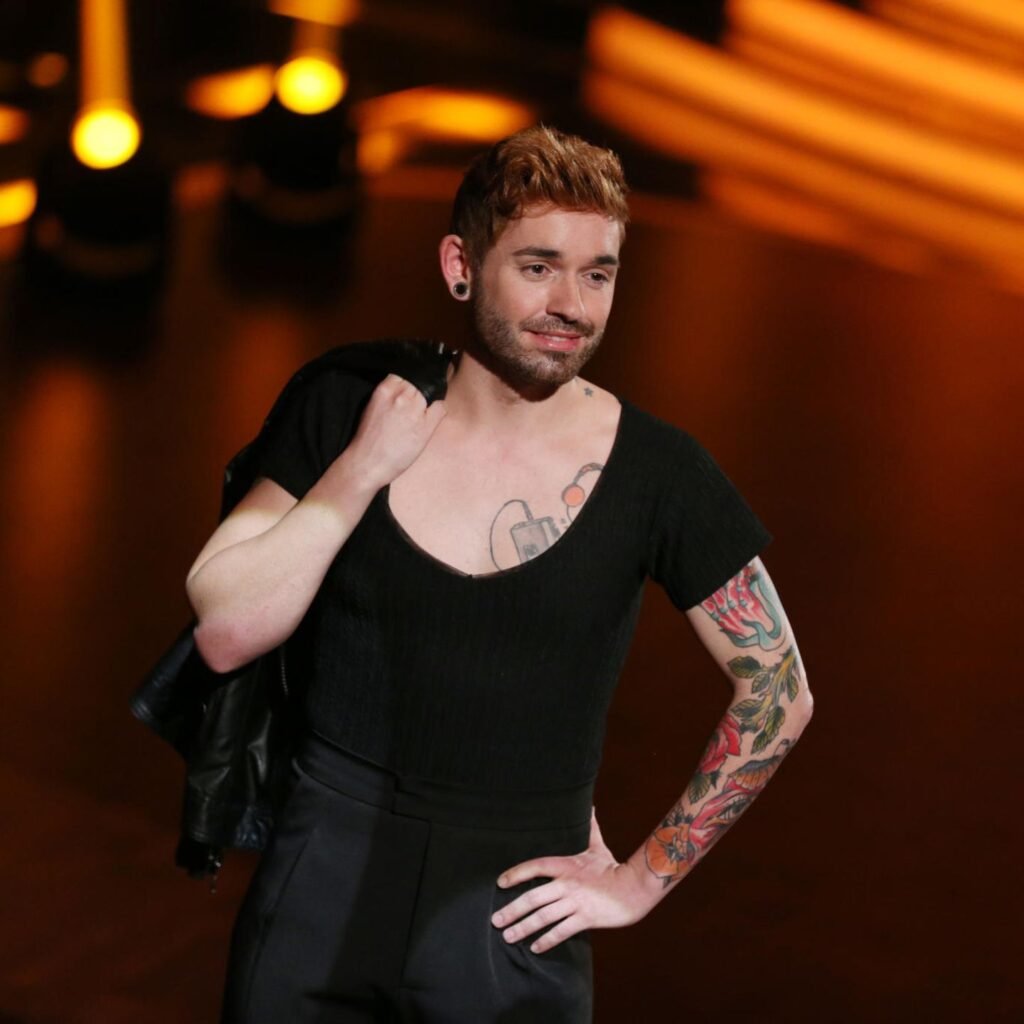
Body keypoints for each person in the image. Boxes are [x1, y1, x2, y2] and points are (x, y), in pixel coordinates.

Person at [185, 124, 813, 1023]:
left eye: (597, 275)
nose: (571, 304)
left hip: (514, 915)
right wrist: (360, 470)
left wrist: (640, 881)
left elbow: (779, 690)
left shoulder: (661, 474)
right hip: (319, 879)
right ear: (461, 265)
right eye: (538, 266)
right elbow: (225, 631)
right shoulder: (349, 405)